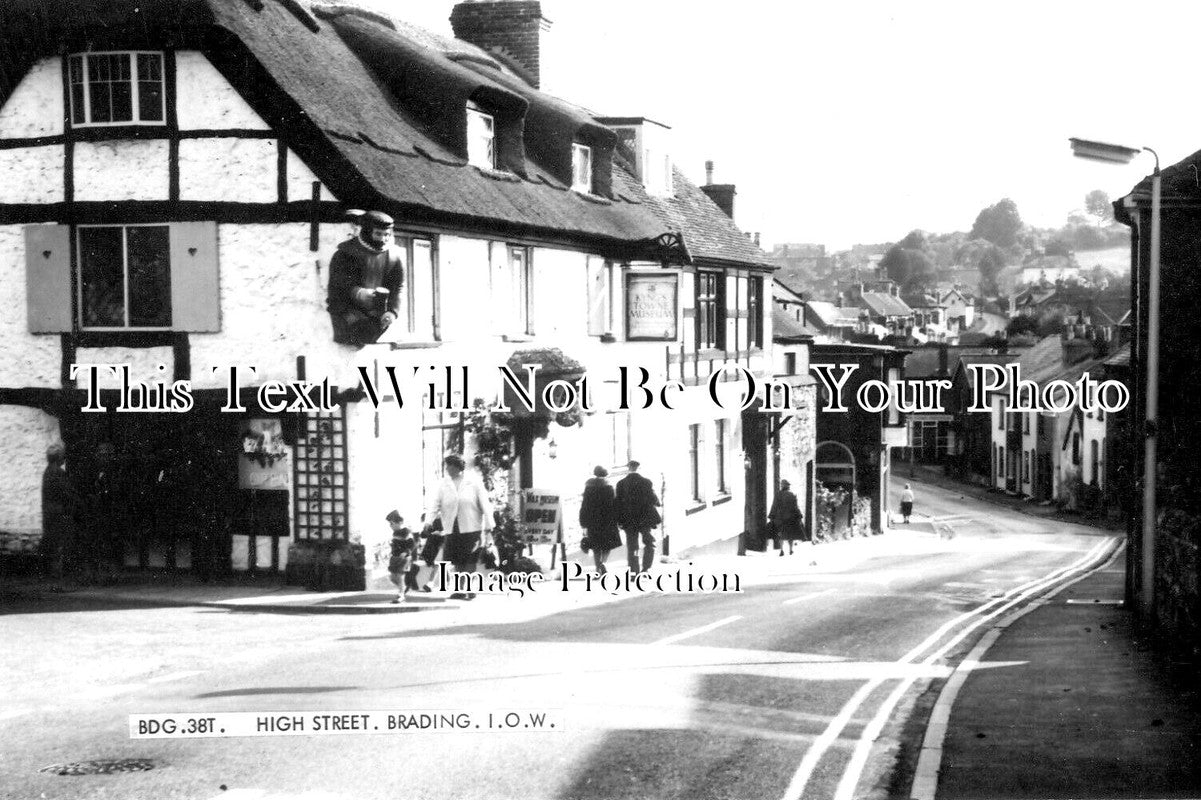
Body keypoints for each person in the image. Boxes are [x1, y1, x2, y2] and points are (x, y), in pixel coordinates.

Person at [327, 209, 404, 346]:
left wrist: (392, 312)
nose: (383, 239)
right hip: (348, 314)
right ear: (368, 232)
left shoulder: (393, 257)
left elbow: (397, 287)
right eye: (378, 234)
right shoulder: (346, 253)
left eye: (386, 234)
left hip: (376, 318)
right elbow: (337, 284)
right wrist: (358, 293)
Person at [426, 454, 492, 600]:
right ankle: (461, 590)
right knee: (457, 561)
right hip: (452, 527)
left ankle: (469, 588)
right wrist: (428, 521)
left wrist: (489, 525)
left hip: (472, 527)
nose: (447, 469)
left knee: (470, 560)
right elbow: (435, 504)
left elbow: (485, 504)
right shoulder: (444, 484)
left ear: (457, 466)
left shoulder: (473, 482)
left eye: (449, 466)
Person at [40, 443, 79, 585]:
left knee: (54, 546)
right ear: (59, 458)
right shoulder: (59, 473)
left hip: (49, 514)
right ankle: (58, 581)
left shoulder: (47, 471)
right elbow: (68, 493)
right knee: (60, 546)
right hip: (59, 513)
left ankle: (54, 579)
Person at [614, 460, 661, 575]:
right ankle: (646, 568)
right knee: (649, 543)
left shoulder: (621, 484)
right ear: (638, 468)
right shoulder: (646, 482)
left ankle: (634, 571)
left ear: (628, 468)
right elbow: (653, 499)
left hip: (628, 520)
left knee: (632, 546)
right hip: (645, 519)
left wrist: (618, 520)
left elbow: (617, 504)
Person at [579, 466, 622, 575]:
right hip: (608, 521)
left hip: (593, 522)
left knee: (596, 546)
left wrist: (583, 522)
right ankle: (603, 562)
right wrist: (618, 519)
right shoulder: (609, 488)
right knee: (607, 545)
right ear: (605, 475)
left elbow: (585, 506)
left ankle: (597, 568)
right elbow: (615, 505)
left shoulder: (589, 488)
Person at [386, 510, 419, 603]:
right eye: (390, 524)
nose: (390, 526)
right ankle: (404, 588)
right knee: (392, 578)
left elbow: (412, 544)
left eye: (392, 524)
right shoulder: (395, 533)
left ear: (399, 522)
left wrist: (406, 552)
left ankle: (401, 595)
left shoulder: (405, 531)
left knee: (400, 575)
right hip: (394, 558)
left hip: (404, 558)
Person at [768, 479, 805, 555]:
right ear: (788, 486)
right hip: (790, 518)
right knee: (790, 534)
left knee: (780, 533)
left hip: (780, 518)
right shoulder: (792, 495)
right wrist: (799, 516)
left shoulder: (778, 494)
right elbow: (796, 507)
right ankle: (791, 550)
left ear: (782, 486)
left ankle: (781, 550)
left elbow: (774, 505)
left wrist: (771, 516)